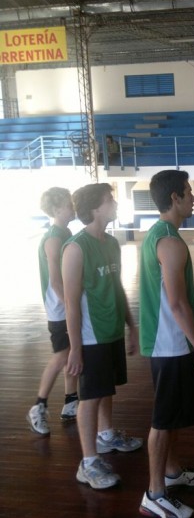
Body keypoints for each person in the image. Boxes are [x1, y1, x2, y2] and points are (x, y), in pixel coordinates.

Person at [139, 170, 194, 518]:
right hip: (169, 344)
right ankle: (154, 494)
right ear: (175, 198)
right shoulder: (169, 242)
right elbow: (177, 303)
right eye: (189, 191)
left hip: (170, 343)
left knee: (172, 416)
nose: (193, 198)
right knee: (163, 420)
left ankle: (172, 472)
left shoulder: (160, 235)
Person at [62, 183, 142, 490]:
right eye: (110, 200)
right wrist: (75, 348)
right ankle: (88, 462)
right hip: (90, 335)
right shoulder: (75, 248)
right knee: (91, 396)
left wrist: (131, 326)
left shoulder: (112, 243)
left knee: (106, 388)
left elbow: (117, 287)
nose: (115, 204)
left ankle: (106, 435)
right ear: (96, 208)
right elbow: (71, 303)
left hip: (112, 330)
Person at [27, 187, 79, 436]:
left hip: (66, 308)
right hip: (59, 311)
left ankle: (70, 402)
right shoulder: (53, 239)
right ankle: (38, 406)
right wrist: (71, 307)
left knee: (72, 356)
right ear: (57, 209)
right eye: (69, 205)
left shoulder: (65, 233)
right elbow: (57, 281)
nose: (73, 208)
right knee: (61, 356)